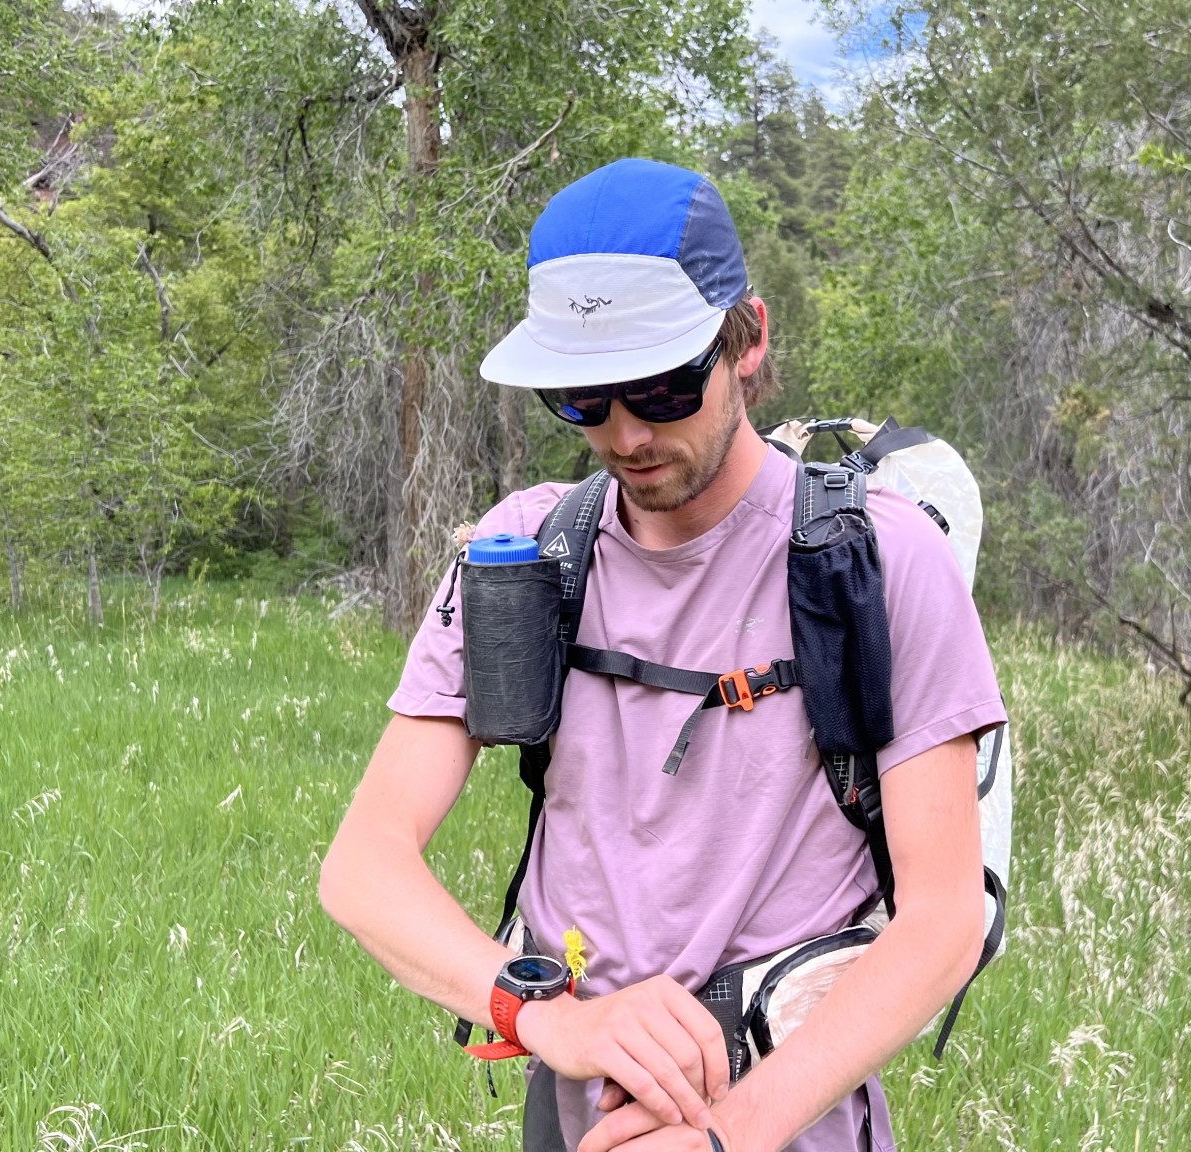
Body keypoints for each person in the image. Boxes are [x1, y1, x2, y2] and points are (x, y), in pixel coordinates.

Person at [318, 158, 1005, 1152]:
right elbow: (362, 865)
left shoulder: (877, 561)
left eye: (663, 387)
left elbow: (942, 920)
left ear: (748, 340)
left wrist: (730, 1132)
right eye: (583, 399)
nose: (628, 434)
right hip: (573, 1104)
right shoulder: (526, 554)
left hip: (785, 1110)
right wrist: (547, 1017)